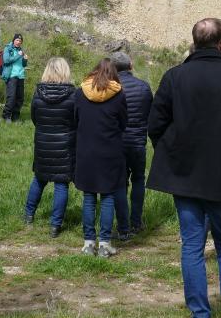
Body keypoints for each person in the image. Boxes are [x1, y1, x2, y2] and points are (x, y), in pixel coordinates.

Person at [148, 18, 221, 318]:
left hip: (186, 175)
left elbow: (156, 125)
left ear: (194, 43)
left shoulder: (174, 77)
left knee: (192, 247)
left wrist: (173, 155)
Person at [73, 58, 128, 258]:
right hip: (110, 152)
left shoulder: (80, 93)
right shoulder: (119, 94)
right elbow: (124, 123)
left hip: (86, 151)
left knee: (89, 197)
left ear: (94, 71)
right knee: (107, 197)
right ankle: (104, 243)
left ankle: (89, 243)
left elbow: (75, 119)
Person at [25, 57, 76, 238]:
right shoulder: (73, 94)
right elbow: (76, 120)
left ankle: (29, 215)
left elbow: (34, 117)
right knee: (61, 184)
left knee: (39, 179)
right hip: (65, 144)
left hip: (43, 141)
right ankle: (55, 225)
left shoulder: (38, 93)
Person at [110, 51, 152, 238]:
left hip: (116, 142)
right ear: (131, 65)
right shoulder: (144, 87)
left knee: (120, 183)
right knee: (138, 180)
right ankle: (136, 222)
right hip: (137, 142)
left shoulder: (111, 88)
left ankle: (122, 225)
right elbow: (150, 116)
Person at [1, 34, 28, 123]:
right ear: (13, 41)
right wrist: (18, 56)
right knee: (11, 97)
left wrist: (25, 59)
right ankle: (6, 116)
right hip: (12, 76)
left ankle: (15, 117)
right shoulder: (8, 49)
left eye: (20, 41)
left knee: (20, 98)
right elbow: (6, 60)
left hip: (21, 76)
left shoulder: (21, 51)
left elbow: (23, 65)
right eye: (17, 40)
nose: (18, 42)